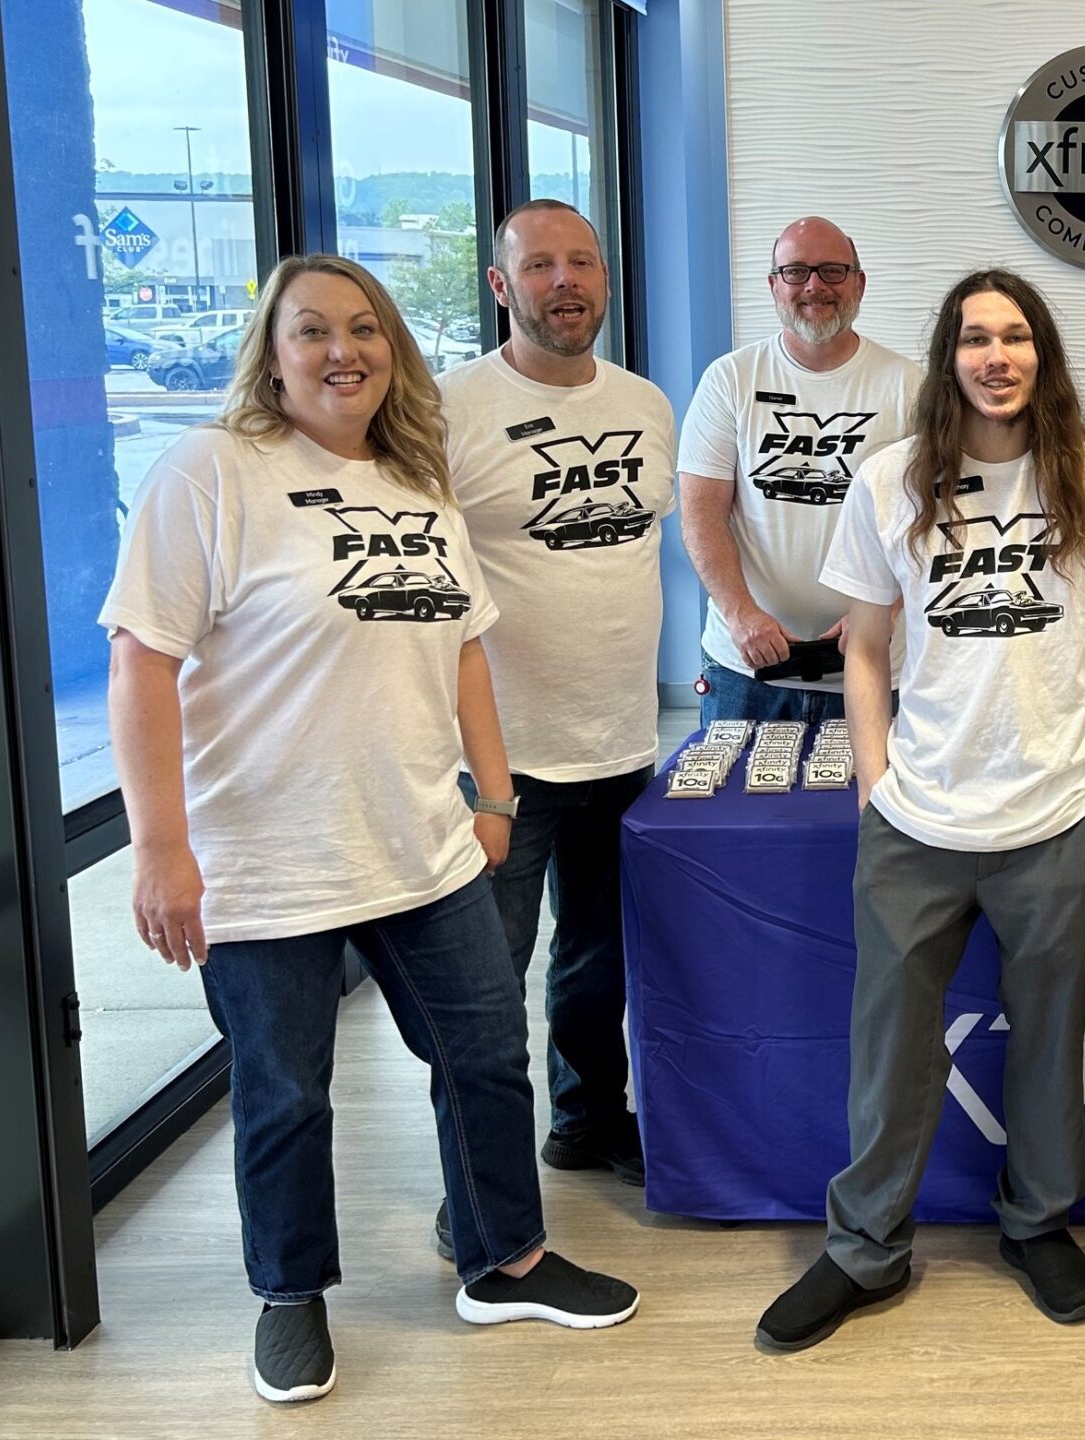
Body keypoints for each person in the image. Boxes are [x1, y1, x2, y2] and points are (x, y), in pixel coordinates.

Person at [102, 255, 639, 1406]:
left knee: (485, 1057)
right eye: (312, 332)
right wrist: (161, 847)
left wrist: (493, 794)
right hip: (265, 861)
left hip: (421, 843)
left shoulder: (415, 480)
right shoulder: (210, 472)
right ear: (273, 350)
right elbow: (142, 659)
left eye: (364, 329)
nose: (342, 350)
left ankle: (507, 1259)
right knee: (287, 1093)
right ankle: (289, 1297)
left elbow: (466, 644)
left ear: (391, 350)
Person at [755, 269, 1085, 1351]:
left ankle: (1037, 1225)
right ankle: (864, 1249)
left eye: (1015, 336)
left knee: (1048, 1040)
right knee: (888, 1047)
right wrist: (877, 782)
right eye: (974, 338)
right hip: (916, 820)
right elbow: (867, 650)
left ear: (1042, 354)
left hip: (1053, 815)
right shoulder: (891, 480)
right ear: (949, 357)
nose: (996, 356)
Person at [438, 200, 677, 1241]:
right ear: (501, 286)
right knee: (479, 993)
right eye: (540, 266)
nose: (565, 281)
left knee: (595, 963)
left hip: (621, 743)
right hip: (498, 763)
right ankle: (475, 1191)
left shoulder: (646, 403)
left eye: (581, 261)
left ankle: (586, 1122)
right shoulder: (446, 413)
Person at [679, 217, 921, 722]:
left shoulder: (909, 387)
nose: (815, 285)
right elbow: (701, 517)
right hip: (745, 668)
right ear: (773, 285)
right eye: (795, 271)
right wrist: (740, 613)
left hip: (873, 661)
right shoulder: (730, 380)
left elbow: (929, 519)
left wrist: (885, 610)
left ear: (859, 282)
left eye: (833, 271)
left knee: (870, 802)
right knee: (736, 801)